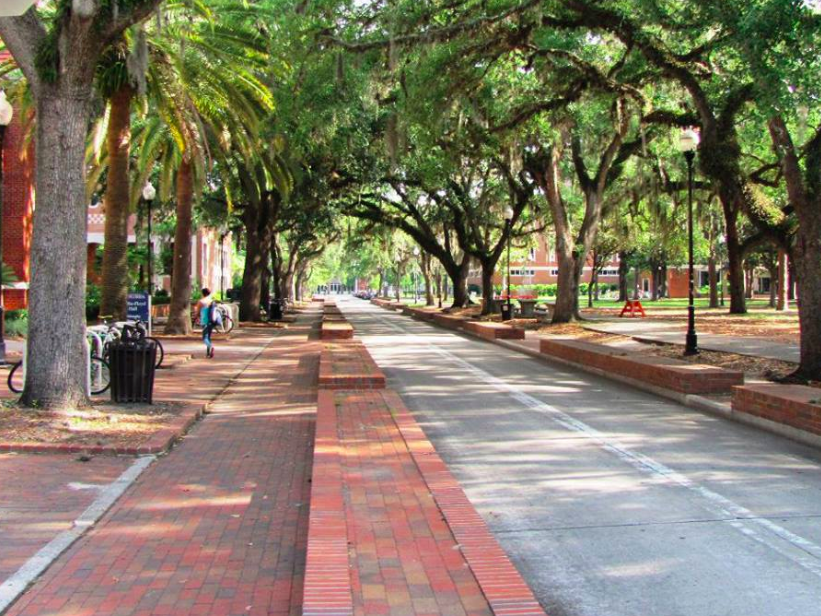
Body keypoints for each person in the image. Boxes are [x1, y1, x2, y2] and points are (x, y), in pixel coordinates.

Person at [198, 288, 216, 358]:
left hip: (204, 321)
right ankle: (208, 353)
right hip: (211, 321)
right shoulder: (211, 301)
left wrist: (196, 317)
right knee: (208, 337)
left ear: (203, 293)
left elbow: (197, 312)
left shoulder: (201, 301)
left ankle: (211, 347)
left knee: (204, 338)